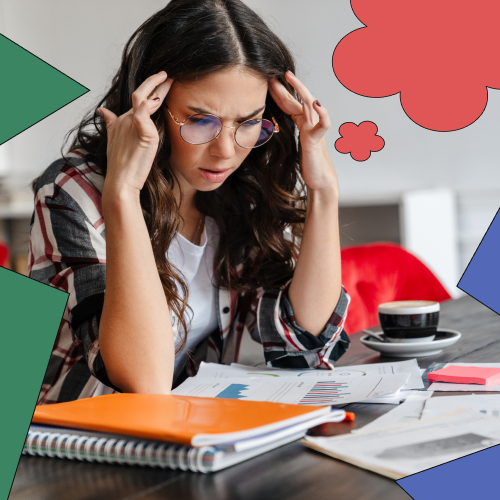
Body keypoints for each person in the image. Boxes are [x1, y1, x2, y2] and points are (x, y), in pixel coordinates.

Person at [29, 0, 351, 405]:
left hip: (190, 438)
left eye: (248, 123)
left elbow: (303, 344)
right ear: (152, 107)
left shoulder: (243, 190)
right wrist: (123, 194)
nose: (226, 152)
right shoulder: (71, 191)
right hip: (74, 448)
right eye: (201, 120)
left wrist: (323, 190)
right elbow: (143, 382)